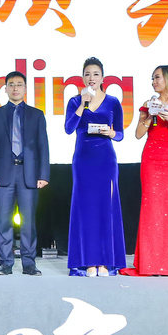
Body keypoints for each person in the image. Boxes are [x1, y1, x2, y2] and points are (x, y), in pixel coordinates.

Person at [122, 65, 168, 276]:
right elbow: (138, 134)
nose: (154, 82)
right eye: (152, 78)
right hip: (151, 159)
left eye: (157, 78)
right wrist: (148, 116)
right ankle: (150, 263)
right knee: (151, 208)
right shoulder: (148, 104)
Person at [64, 57, 126, 277]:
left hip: (106, 160)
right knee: (86, 209)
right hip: (83, 160)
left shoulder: (113, 102)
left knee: (106, 209)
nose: (91, 78)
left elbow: (120, 134)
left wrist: (112, 133)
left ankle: (106, 262)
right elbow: (69, 128)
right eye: (87, 74)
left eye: (95, 74)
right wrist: (83, 105)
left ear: (102, 77)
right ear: (83, 77)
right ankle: (88, 261)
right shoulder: (75, 101)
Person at [0, 70, 49, 275]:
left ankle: (29, 263)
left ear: (26, 89)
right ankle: (6, 263)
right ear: (5, 89)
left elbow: (43, 146)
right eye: (11, 84)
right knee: (3, 222)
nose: (15, 88)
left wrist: (43, 174)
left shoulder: (36, 115)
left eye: (19, 84)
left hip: (28, 173)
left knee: (28, 222)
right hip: (3, 174)